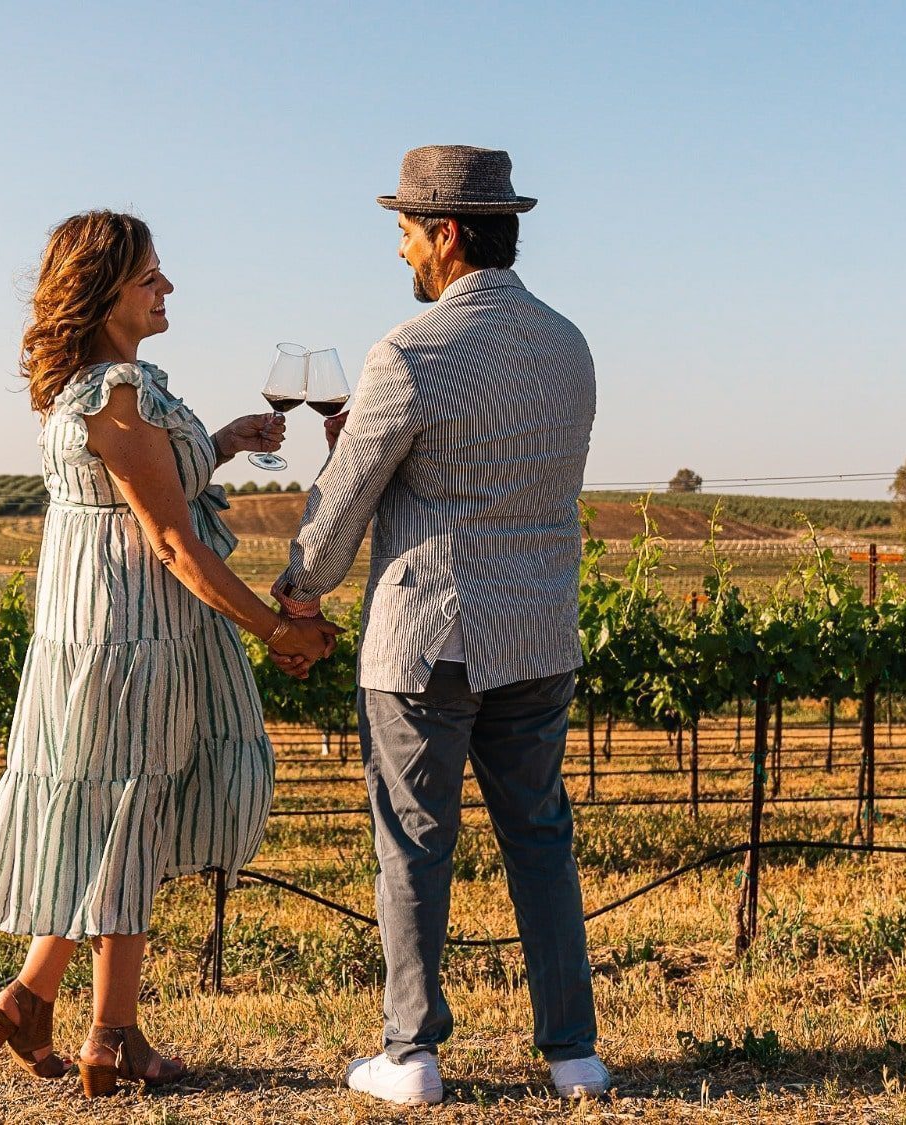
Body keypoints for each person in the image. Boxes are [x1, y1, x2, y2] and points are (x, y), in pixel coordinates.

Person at [0, 210, 341, 1098]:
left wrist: (226, 443)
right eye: (150, 277)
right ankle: (112, 1036)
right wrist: (275, 629)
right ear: (103, 293)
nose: (167, 288)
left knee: (114, 812)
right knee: (133, 811)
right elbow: (171, 539)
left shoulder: (97, 391)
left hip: (100, 629)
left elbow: (141, 487)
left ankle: (30, 995)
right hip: (128, 636)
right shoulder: (114, 395)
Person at [272, 146, 609, 1104]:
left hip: (430, 634)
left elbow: (344, 502)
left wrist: (300, 593)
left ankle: (412, 1053)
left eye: (407, 230)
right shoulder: (570, 344)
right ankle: (573, 1054)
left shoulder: (410, 352)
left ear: (448, 233)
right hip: (539, 630)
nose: (402, 249)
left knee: (415, 841)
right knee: (541, 837)